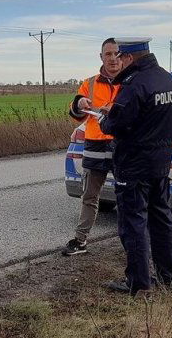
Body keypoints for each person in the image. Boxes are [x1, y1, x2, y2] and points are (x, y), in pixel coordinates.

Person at [98, 37, 172, 295]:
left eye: (120, 57)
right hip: (160, 164)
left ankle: (139, 283)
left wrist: (105, 119)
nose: (117, 61)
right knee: (162, 220)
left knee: (133, 225)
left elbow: (117, 124)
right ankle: (168, 277)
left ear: (130, 58)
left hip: (133, 166)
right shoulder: (167, 79)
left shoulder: (134, 85)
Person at [62, 38, 122, 256]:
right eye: (108, 54)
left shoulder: (131, 81)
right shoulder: (89, 83)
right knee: (90, 196)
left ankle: (133, 241)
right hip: (94, 145)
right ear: (101, 57)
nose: (113, 58)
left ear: (123, 55)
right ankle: (80, 241)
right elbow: (75, 112)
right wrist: (78, 104)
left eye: (116, 53)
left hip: (121, 144)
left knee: (127, 196)